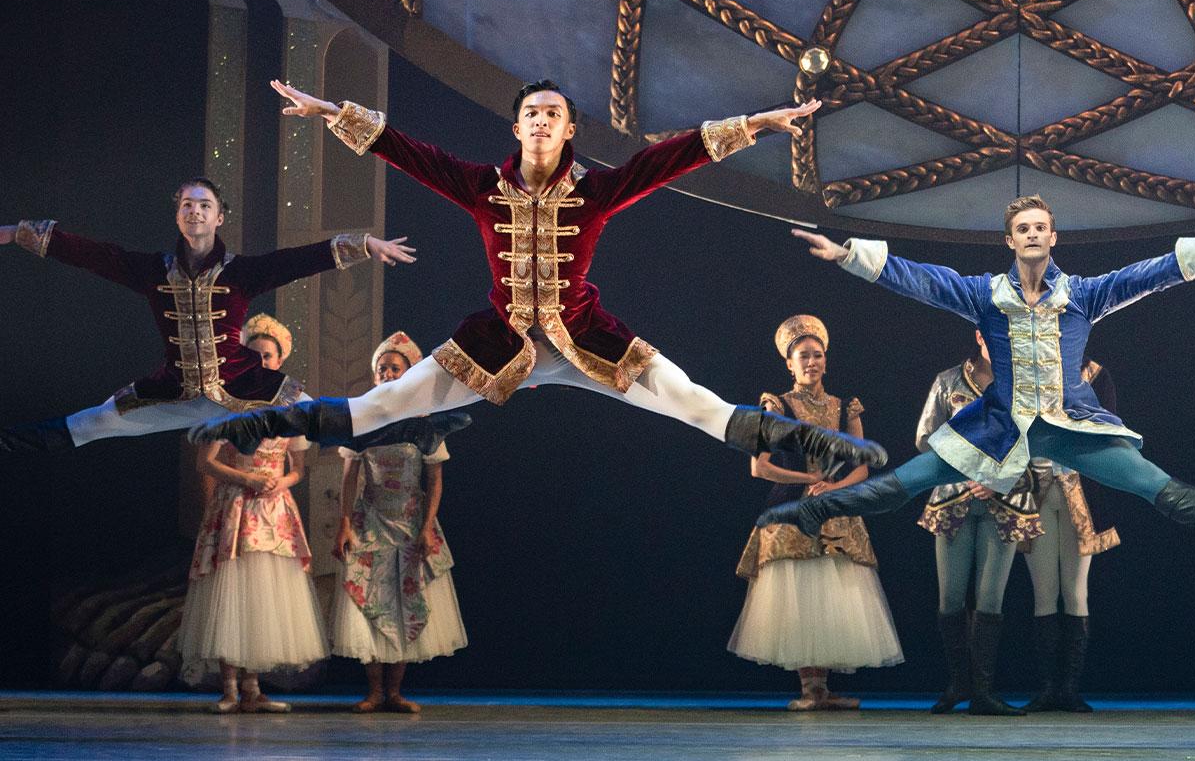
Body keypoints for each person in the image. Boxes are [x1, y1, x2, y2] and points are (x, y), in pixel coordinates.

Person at [189, 79, 883, 475]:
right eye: (532, 114)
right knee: (385, 403)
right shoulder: (482, 187)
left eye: (553, 114)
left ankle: (812, 440)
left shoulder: (596, 191)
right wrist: (331, 113)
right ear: (517, 129)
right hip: (498, 344)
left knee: (693, 401)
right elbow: (409, 152)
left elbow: (670, 158)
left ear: (568, 130)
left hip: (587, 342)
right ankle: (262, 422)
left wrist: (756, 123)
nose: (542, 122)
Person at [763, 197, 1195, 558]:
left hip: (1071, 426)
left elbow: (1144, 276)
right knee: (910, 480)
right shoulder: (985, 295)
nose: (1033, 233)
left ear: (1053, 237)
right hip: (998, 427)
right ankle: (816, 512)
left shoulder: (1083, 294)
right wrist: (848, 254)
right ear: (1010, 240)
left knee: (1150, 482)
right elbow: (923, 280)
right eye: (1023, 228)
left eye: (1040, 227)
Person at [0, 178, 410, 452]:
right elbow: (94, 255)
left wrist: (365, 244)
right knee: (92, 423)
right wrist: (20, 232)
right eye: (187, 204)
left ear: (219, 217)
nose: (194, 211)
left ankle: (414, 428)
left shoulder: (241, 273)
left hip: (246, 389)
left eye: (204, 205)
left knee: (323, 417)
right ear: (178, 215)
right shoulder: (153, 271)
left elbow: (297, 261)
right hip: (175, 392)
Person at [728, 316, 902, 709]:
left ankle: (821, 688)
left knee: (833, 592)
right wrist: (807, 478)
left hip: (835, 507)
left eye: (817, 355)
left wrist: (833, 487)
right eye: (803, 356)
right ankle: (809, 688)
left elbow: (861, 467)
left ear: (826, 359)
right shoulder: (776, 406)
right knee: (800, 591)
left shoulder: (845, 408)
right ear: (789, 364)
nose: (811, 362)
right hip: (792, 507)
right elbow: (760, 467)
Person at [332, 332, 470, 713]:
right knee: (371, 600)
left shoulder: (425, 424)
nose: (388, 374)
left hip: (410, 522)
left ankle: (394, 692)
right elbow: (349, 477)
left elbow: (435, 479)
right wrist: (345, 522)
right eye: (382, 369)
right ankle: (374, 691)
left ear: (409, 374)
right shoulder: (363, 420)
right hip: (371, 520)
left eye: (395, 368)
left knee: (407, 601)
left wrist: (427, 526)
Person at [914, 332, 1043, 715]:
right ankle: (959, 685)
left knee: (990, 599)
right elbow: (925, 438)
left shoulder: (1027, 383)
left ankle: (983, 691)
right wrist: (969, 468)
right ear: (978, 334)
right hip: (953, 497)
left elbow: (1039, 442)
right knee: (950, 598)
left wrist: (998, 478)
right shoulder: (948, 381)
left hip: (1005, 500)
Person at [181, 430, 328, 712]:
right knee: (232, 592)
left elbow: (298, 468)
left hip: (273, 510)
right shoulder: (232, 414)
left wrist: (282, 482)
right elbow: (205, 462)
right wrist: (247, 479)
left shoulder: (289, 416)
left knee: (262, 596)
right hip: (236, 504)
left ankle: (252, 689)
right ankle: (229, 690)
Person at [1021, 357, 1121, 713]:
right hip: (1035, 490)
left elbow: (1110, 431)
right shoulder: (1026, 370)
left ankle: (1069, 689)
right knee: (1044, 594)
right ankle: (1049, 688)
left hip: (1081, 492)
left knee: (1076, 593)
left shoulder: (1097, 375)